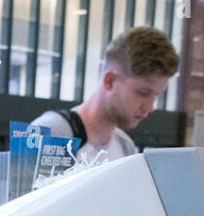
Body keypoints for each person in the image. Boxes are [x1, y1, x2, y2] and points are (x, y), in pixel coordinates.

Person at [29, 26, 179, 163]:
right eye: (143, 93)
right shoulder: (52, 131)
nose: (150, 107)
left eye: (157, 95)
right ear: (110, 81)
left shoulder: (125, 146)